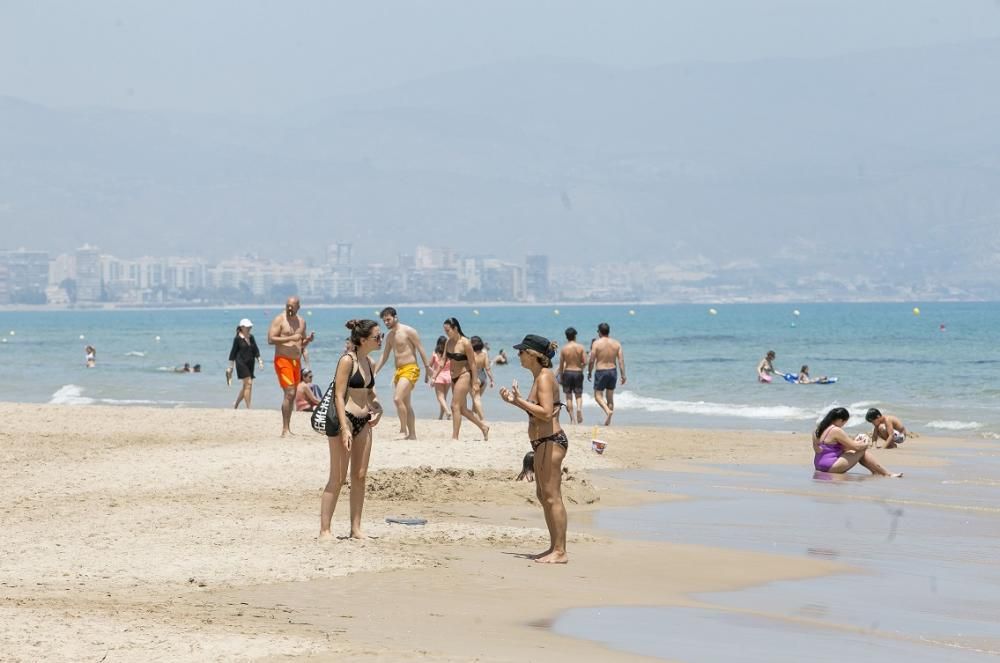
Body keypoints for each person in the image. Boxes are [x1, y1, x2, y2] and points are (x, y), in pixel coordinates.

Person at [499, 334, 568, 563]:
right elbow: (534, 411)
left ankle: (560, 551)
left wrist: (518, 400)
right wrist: (513, 400)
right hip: (541, 442)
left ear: (532, 355)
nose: (518, 355)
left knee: (552, 497)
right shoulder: (539, 376)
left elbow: (547, 413)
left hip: (551, 441)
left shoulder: (545, 377)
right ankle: (553, 548)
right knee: (543, 495)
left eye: (521, 352)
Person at [319, 319, 384, 540]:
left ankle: (356, 529)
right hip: (344, 421)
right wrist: (345, 427)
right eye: (377, 336)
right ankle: (325, 530)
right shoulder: (347, 360)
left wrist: (378, 407)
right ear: (363, 339)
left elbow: (369, 393)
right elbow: (338, 394)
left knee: (360, 475)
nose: (380, 339)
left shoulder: (370, 362)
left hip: (364, 421)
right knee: (337, 477)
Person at [373, 307, 431, 440]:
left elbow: (421, 349)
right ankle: (412, 435)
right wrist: (374, 372)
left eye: (388, 319)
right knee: (406, 404)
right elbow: (385, 356)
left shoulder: (408, 331)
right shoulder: (389, 336)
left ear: (395, 317)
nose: (386, 323)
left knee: (397, 398)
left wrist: (427, 367)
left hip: (411, 369)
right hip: (398, 372)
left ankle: (403, 428)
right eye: (384, 321)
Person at [433, 317, 489, 441]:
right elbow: (442, 361)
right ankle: (483, 427)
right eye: (445, 331)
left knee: (454, 406)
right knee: (462, 409)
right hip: (453, 377)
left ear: (455, 328)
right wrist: (434, 376)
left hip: (465, 375)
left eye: (448, 330)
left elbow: (473, 364)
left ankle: (455, 437)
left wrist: (475, 382)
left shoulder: (465, 343)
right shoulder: (448, 342)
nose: (446, 333)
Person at [268, 296, 314, 437]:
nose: (289, 308)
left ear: (298, 307)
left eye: (292, 306)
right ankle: (285, 430)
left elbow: (300, 343)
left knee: (291, 395)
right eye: (287, 305)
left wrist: (308, 340)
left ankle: (288, 428)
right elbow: (270, 339)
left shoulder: (301, 322)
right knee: (290, 393)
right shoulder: (279, 319)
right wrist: (289, 338)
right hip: (282, 360)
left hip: (296, 361)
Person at [813, 407, 901, 477]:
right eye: (844, 422)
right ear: (840, 420)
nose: (843, 425)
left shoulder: (820, 429)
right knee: (861, 451)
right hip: (830, 466)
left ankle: (876, 472)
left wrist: (857, 442)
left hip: (819, 465)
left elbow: (839, 448)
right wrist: (866, 442)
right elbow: (856, 447)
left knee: (857, 451)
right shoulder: (836, 430)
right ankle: (886, 473)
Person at [587, 322, 626, 426]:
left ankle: (608, 411)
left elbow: (591, 360)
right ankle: (609, 421)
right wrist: (623, 375)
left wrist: (589, 372)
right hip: (613, 371)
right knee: (610, 397)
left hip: (601, 371)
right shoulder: (616, 343)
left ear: (599, 332)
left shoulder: (596, 343)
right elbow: (621, 361)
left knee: (597, 396)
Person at [557, 327, 587, 424]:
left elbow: (561, 365)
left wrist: (561, 375)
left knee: (568, 396)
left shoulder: (564, 349)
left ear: (566, 337)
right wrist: (580, 369)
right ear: (575, 336)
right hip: (578, 372)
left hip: (568, 373)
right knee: (578, 395)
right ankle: (578, 409)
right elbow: (585, 362)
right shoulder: (580, 347)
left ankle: (572, 419)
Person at [470, 335, 495, 421]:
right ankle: (474, 417)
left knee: (476, 399)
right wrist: (492, 380)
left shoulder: (470, 354)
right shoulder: (484, 355)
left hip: (475, 377)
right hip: (483, 378)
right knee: (476, 399)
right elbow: (488, 368)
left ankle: (482, 419)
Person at [428, 335, 452, 420]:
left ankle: (447, 412)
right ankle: (441, 416)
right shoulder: (450, 354)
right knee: (444, 398)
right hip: (449, 377)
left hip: (438, 376)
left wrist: (429, 376)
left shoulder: (435, 354)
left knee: (440, 397)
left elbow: (429, 366)